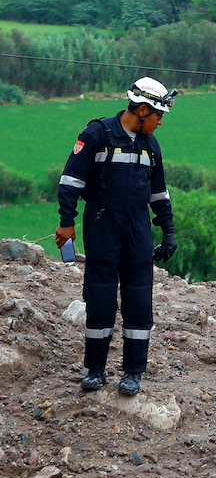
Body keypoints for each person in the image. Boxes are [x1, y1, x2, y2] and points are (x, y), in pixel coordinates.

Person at [54, 77, 179, 396]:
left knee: (139, 300)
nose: (161, 122)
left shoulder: (151, 146)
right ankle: (95, 370)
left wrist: (168, 231)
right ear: (142, 110)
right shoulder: (97, 134)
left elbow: (159, 193)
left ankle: (133, 372)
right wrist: (66, 222)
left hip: (138, 230)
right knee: (100, 298)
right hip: (102, 225)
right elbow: (70, 181)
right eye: (158, 115)